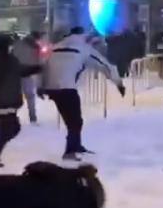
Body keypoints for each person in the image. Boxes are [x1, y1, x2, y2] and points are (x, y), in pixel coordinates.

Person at [41, 27, 125, 160]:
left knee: (72, 120)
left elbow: (43, 67)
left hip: (52, 88)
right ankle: (70, 151)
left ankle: (76, 145)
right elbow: (105, 66)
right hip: (67, 88)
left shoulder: (55, 47)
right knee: (75, 122)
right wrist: (119, 83)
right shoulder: (83, 48)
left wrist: (41, 86)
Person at [0, 34, 44, 168]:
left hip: (1, 100)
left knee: (12, 128)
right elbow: (22, 70)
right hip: (5, 101)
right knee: (7, 131)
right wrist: (38, 68)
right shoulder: (9, 61)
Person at [10, 31, 44, 123]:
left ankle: (11, 116)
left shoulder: (17, 44)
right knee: (30, 96)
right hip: (27, 74)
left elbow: (11, 56)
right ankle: (33, 117)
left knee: (14, 96)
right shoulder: (36, 47)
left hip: (15, 73)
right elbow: (38, 62)